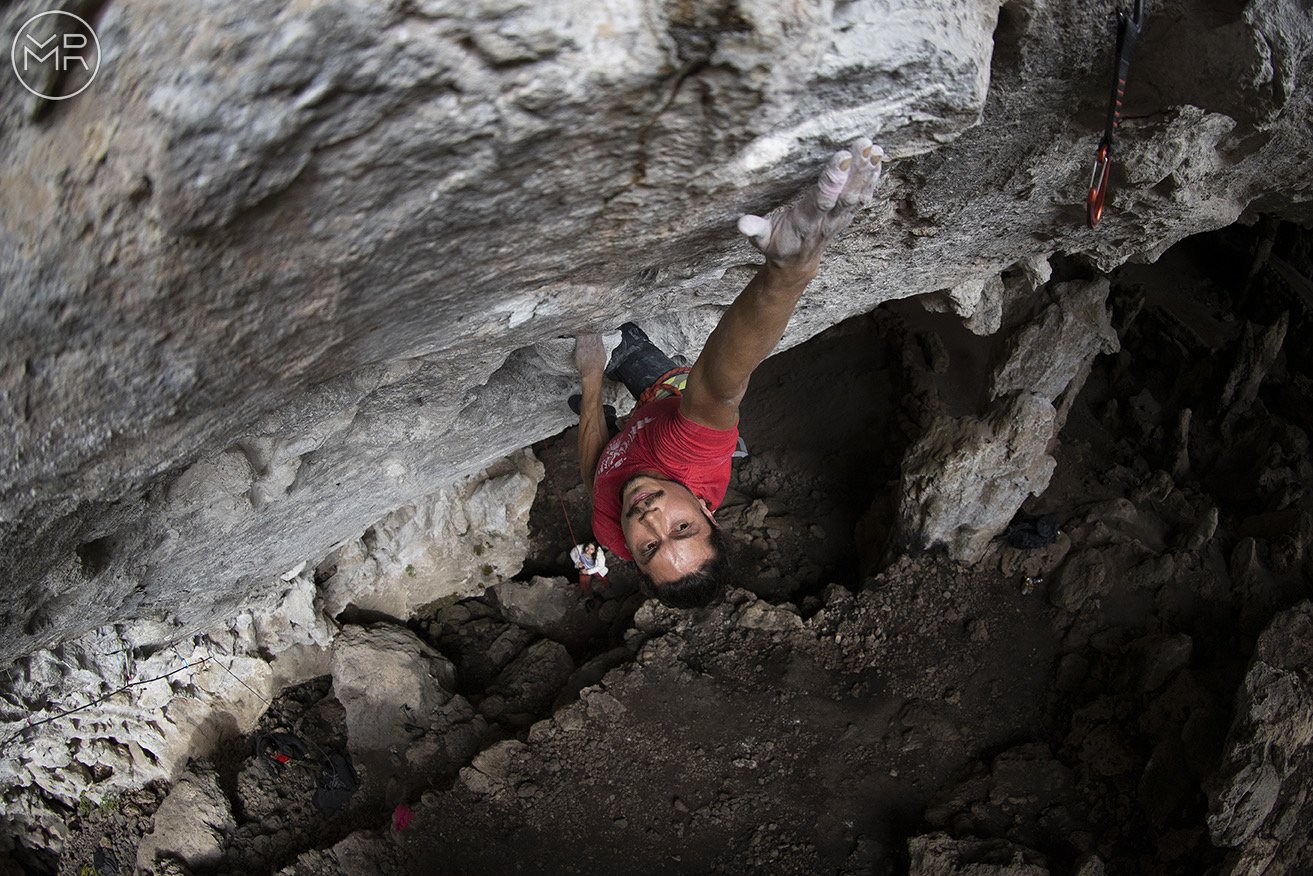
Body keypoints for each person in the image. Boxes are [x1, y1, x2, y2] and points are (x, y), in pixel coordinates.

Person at [573, 138, 884, 609]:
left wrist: (591, 380)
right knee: (641, 356)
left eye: (650, 546)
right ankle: (694, 423)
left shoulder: (613, 534)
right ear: (707, 512)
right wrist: (787, 273)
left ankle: (616, 411)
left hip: (636, 436)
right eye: (682, 528)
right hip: (667, 403)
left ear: (632, 557)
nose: (650, 516)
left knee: (607, 405)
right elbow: (720, 385)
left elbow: (595, 472)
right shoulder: (690, 455)